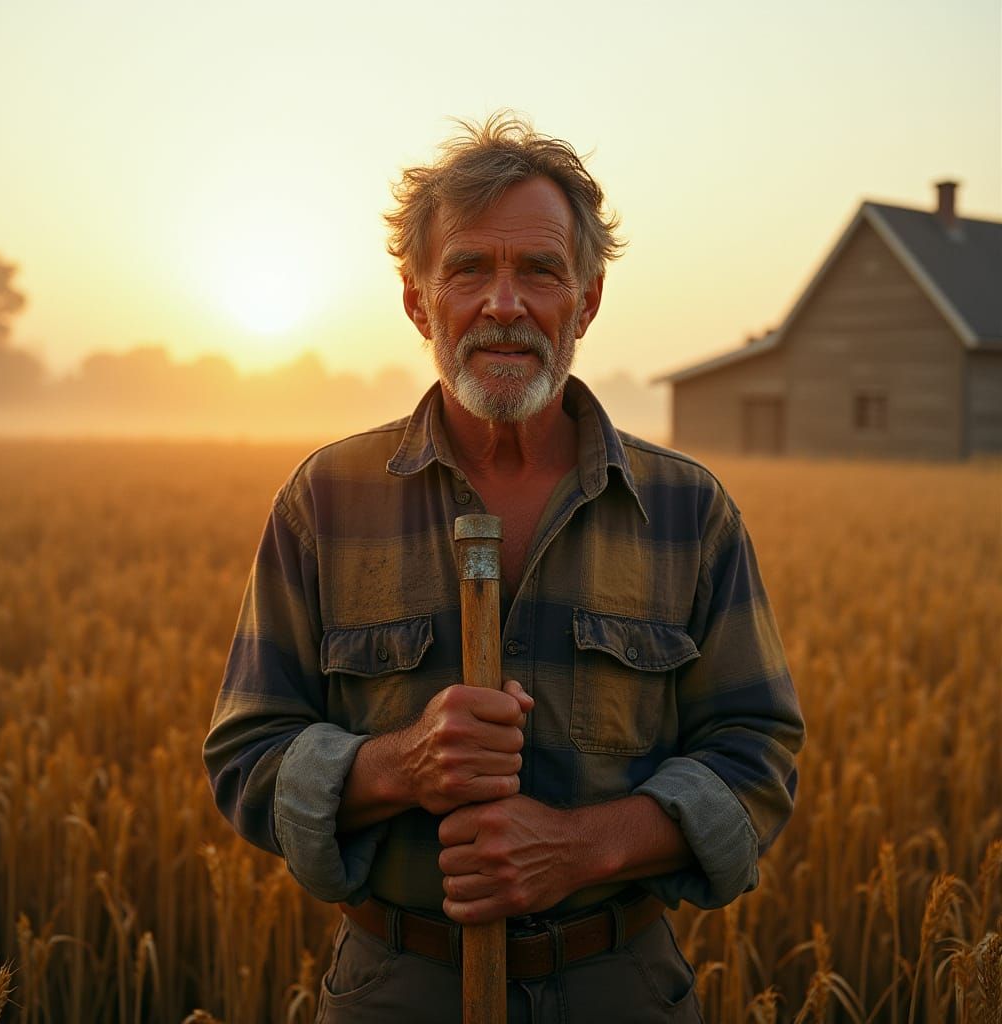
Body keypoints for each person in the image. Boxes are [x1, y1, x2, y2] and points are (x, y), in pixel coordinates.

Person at [203, 113, 805, 1023]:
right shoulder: (327, 499)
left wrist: (579, 847)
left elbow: (757, 757)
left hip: (624, 986)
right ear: (418, 301)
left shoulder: (688, 510)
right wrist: (399, 764)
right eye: (470, 269)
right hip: (396, 988)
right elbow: (246, 757)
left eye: (539, 270)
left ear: (587, 301)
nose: (504, 304)